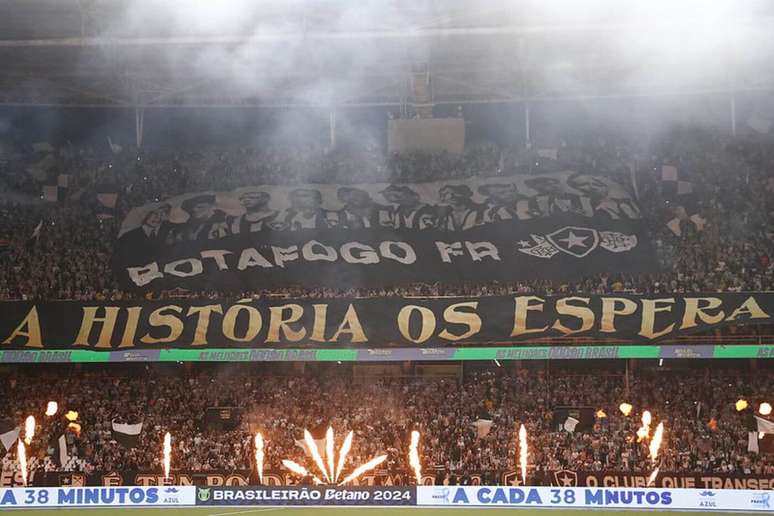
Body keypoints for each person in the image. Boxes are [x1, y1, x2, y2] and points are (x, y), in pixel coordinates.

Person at [566, 174, 641, 220]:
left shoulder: (623, 201)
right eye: (584, 184)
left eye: (593, 181)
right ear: (578, 188)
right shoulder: (586, 205)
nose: (591, 185)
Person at [523, 176, 591, 217]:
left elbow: (586, 214)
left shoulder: (575, 198)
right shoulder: (534, 200)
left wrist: (576, 212)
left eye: (555, 183)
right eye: (547, 185)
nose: (554, 186)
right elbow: (534, 217)